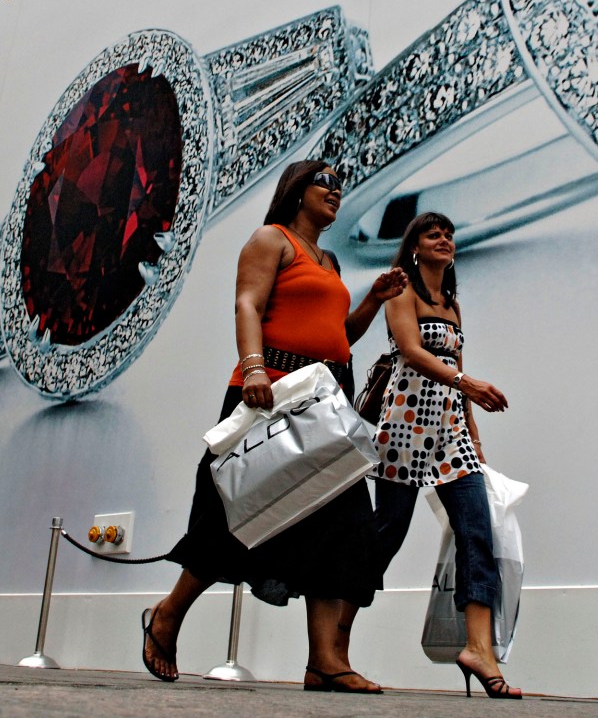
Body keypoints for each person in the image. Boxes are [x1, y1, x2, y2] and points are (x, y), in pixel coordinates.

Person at [142, 159, 408, 693]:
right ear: (297, 190)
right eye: (325, 182)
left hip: (325, 400)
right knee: (233, 515)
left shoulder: (328, 259)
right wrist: (255, 366)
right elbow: (248, 302)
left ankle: (325, 662)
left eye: (341, 185)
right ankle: (167, 615)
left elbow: (338, 336)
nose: (336, 191)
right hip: (271, 391)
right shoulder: (272, 239)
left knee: (345, 524)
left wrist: (374, 300)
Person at [362, 211, 522, 699]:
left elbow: (456, 365)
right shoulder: (401, 291)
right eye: (433, 234)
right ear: (414, 245)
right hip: (406, 426)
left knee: (479, 532)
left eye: (449, 234)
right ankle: (333, 639)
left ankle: (480, 649)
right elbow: (410, 351)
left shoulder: (451, 304)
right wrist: (468, 383)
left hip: (452, 433)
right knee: (385, 535)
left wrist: (473, 434)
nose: (444, 240)